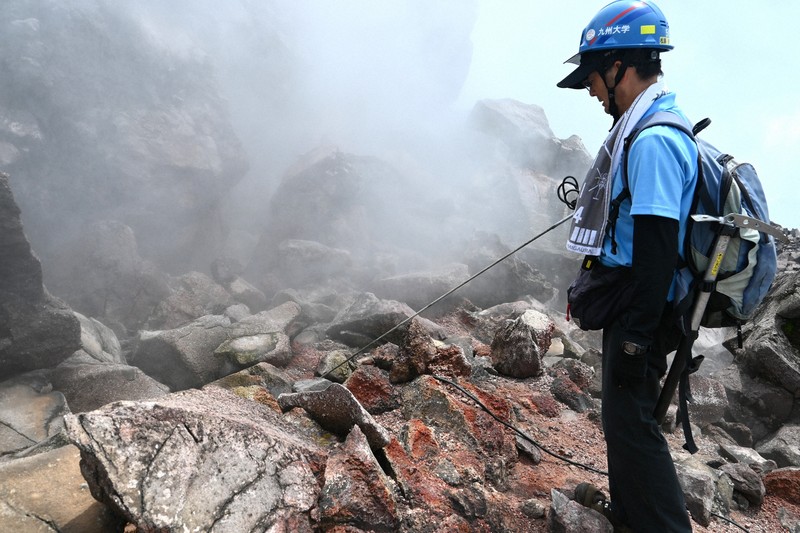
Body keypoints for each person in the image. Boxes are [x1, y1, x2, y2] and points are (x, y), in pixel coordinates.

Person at [557, 1, 696, 531]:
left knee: (633, 424)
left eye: (593, 75)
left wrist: (637, 338)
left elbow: (658, 252)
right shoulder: (645, 131)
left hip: (646, 310)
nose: (591, 89)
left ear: (621, 65)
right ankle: (636, 517)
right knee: (625, 421)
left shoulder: (654, 141)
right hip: (641, 306)